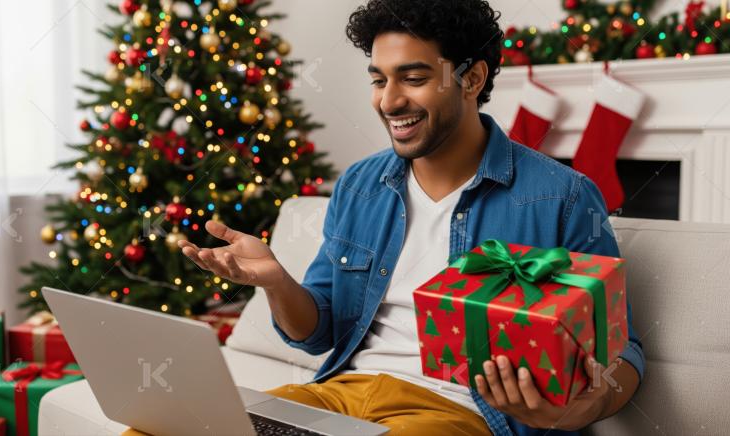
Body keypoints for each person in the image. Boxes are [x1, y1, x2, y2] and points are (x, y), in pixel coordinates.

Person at [178, 0, 645, 434]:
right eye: (379, 80)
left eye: (414, 78)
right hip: (339, 396)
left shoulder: (562, 195)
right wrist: (277, 282)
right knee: (184, 425)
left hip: (458, 410)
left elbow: (621, 352)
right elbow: (319, 333)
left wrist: (577, 409)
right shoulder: (360, 185)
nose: (388, 101)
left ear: (472, 79)